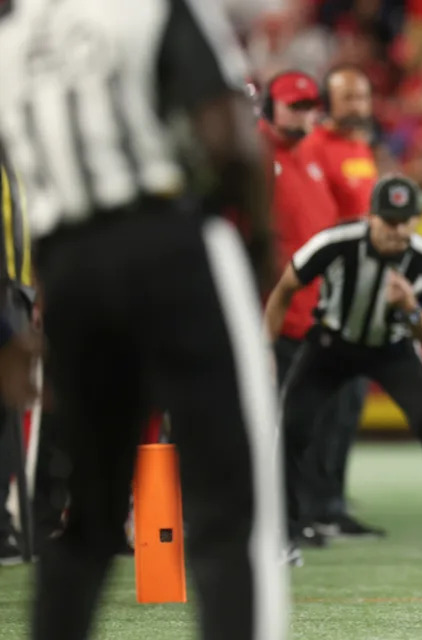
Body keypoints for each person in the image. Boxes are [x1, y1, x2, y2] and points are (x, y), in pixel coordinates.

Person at [0, 1, 288, 638]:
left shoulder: (12, 37)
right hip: (171, 244)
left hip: (66, 269)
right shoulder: (152, 10)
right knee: (228, 505)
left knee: (88, 517)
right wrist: (260, 247)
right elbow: (228, 138)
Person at [265, 175, 422, 565]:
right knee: (291, 428)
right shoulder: (335, 243)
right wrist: (265, 348)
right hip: (331, 345)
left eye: (405, 221)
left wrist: (409, 308)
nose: (397, 231)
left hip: (393, 347)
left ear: (416, 220)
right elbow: (284, 288)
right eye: (388, 221)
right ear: (370, 218)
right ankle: (282, 534)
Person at [295, 64, 383, 539]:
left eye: (362, 96)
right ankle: (310, 505)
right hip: (331, 290)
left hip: (363, 289)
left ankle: (332, 500)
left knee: (349, 402)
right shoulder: (314, 149)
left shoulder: (358, 148)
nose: (357, 106)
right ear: (329, 103)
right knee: (324, 401)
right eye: (348, 97)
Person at [257, 69, 340, 548]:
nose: (304, 114)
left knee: (306, 424)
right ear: (270, 107)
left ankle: (298, 515)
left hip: (314, 317)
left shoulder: (308, 158)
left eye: (310, 106)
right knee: (279, 426)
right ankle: (277, 521)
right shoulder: (258, 159)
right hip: (278, 317)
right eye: (294, 105)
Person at [0, 144, 40, 566]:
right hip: (5, 295)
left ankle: (2, 526)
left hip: (19, 292)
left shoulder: (18, 154)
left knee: (11, 414)